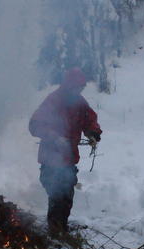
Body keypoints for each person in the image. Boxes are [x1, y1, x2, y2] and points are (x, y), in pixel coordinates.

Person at [29, 67, 102, 237]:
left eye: (81, 88)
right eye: (76, 88)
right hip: (50, 159)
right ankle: (55, 231)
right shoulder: (53, 101)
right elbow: (35, 125)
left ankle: (60, 228)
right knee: (56, 194)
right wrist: (54, 137)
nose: (78, 91)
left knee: (66, 195)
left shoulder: (80, 102)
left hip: (69, 160)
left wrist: (92, 134)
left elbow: (90, 120)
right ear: (68, 86)